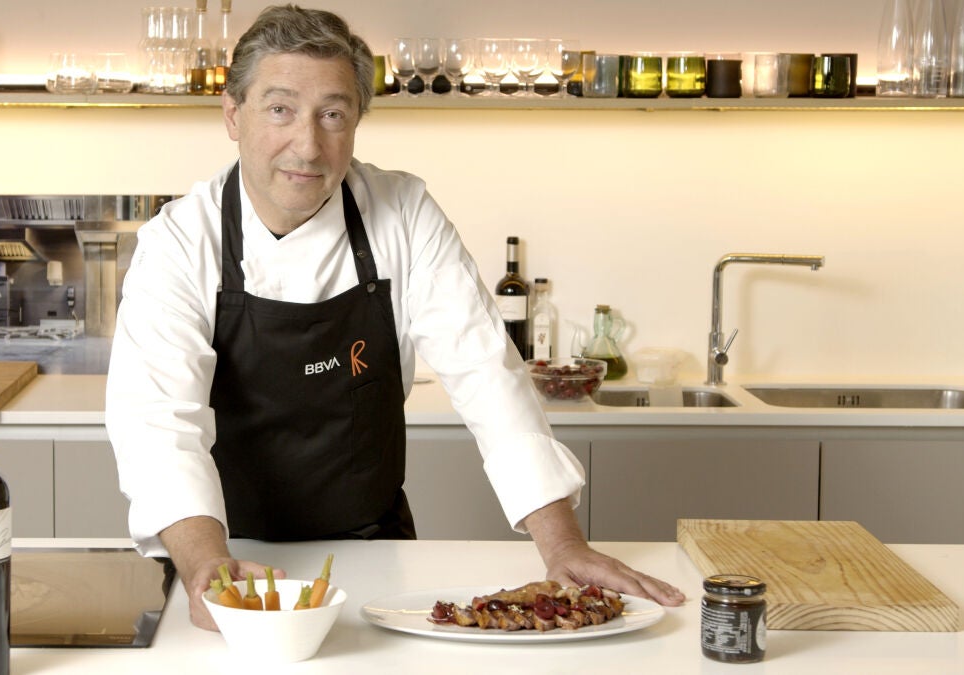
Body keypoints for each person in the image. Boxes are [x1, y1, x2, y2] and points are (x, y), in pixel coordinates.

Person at [105, 4, 685, 630]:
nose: (308, 145)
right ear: (232, 114)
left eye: (333, 114)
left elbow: (485, 370)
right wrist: (206, 565)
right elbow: (158, 423)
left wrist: (562, 543)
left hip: (376, 551)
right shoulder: (178, 242)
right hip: (225, 556)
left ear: (356, 121)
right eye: (279, 110)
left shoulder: (402, 211)